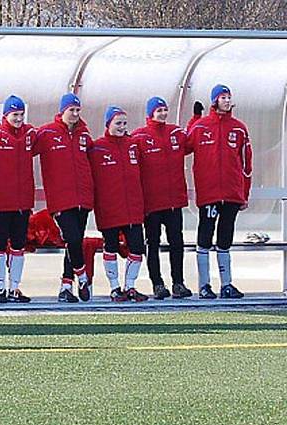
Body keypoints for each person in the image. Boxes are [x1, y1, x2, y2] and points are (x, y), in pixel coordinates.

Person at [186, 84, 252, 299]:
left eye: (228, 97)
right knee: (205, 237)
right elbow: (185, 147)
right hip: (209, 194)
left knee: (225, 238)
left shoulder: (239, 128)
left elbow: (246, 164)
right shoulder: (200, 127)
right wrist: (195, 119)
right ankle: (204, 285)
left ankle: (226, 284)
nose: (226, 100)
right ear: (214, 101)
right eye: (222, 97)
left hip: (232, 194)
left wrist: (244, 194)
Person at [34, 93, 94, 303]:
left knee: (73, 242)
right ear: (62, 111)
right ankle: (83, 277)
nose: (75, 114)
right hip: (60, 198)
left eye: (78, 110)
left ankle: (66, 287)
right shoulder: (47, 133)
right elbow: (21, 150)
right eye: (71, 110)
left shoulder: (84, 135)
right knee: (73, 239)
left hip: (83, 198)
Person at [131, 97, 193, 300]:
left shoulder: (175, 132)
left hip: (174, 200)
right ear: (150, 113)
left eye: (165, 110)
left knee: (177, 242)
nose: (163, 114)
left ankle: (178, 282)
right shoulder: (139, 136)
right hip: (152, 203)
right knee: (153, 244)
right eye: (159, 110)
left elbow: (192, 142)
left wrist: (196, 119)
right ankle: (157, 283)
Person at [88, 106, 148, 302]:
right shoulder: (97, 148)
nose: (122, 127)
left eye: (124, 123)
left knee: (137, 247)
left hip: (133, 208)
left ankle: (130, 286)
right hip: (109, 208)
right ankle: (114, 288)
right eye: (118, 123)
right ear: (108, 124)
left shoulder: (132, 146)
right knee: (111, 246)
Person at [0, 95, 35, 303]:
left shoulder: (30, 134)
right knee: (0, 243)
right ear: (5, 115)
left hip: (23, 202)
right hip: (1, 202)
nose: (18, 118)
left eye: (21, 114)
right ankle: (1, 288)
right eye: (14, 115)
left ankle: (14, 287)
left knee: (19, 244)